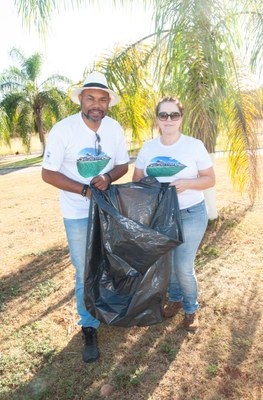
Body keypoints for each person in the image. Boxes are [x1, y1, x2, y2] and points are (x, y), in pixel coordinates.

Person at [42, 71, 129, 362]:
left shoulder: (114, 128)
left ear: (108, 103)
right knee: (84, 269)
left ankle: (108, 308)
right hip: (77, 212)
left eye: (102, 99)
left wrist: (106, 176)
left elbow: (122, 166)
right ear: (80, 98)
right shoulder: (63, 129)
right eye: (90, 97)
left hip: (107, 209)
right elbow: (47, 173)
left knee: (110, 262)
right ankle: (89, 326)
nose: (96, 104)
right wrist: (84, 190)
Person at [132, 96, 215, 331]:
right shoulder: (149, 148)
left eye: (174, 115)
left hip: (190, 213)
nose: (168, 119)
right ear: (157, 118)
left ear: (181, 118)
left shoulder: (194, 145)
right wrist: (153, 189)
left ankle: (191, 308)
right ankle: (175, 298)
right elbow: (137, 179)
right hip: (161, 216)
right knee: (167, 262)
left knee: (183, 266)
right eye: (163, 115)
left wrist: (187, 183)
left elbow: (210, 179)